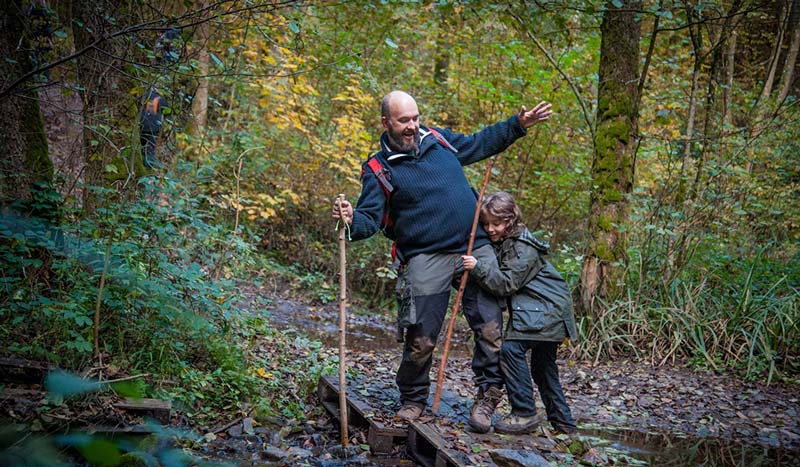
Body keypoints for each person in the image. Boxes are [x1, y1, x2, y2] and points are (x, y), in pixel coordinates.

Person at [332, 90, 553, 431]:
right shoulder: (377, 168)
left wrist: (517, 124)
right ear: (385, 122)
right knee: (421, 336)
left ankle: (488, 396)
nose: (412, 125)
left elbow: (480, 143)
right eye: (404, 120)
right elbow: (370, 219)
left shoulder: (438, 140)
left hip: (472, 245)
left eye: (415, 117)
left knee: (490, 328)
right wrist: (350, 219)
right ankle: (413, 397)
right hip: (424, 254)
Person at [461, 191, 578, 435]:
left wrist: (477, 267)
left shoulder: (522, 247)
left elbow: (506, 283)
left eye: (497, 223)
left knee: (510, 351)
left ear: (511, 220)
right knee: (543, 368)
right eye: (486, 225)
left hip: (545, 311)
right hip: (544, 311)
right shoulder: (511, 242)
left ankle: (524, 413)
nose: (491, 229)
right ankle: (564, 424)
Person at [139, 87, 167, 169]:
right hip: (154, 127)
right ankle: (148, 168)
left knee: (141, 147)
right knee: (150, 149)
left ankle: (141, 164)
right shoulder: (160, 99)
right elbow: (167, 110)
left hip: (142, 125)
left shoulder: (143, 96)